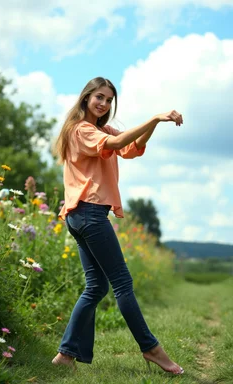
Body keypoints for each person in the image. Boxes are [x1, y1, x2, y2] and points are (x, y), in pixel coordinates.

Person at [52, 77, 184, 375]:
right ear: (86, 98)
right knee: (122, 283)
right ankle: (151, 349)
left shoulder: (101, 129)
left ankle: (66, 355)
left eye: (109, 100)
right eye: (99, 97)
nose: (104, 104)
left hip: (85, 215)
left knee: (97, 287)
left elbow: (133, 146)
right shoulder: (80, 130)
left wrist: (156, 123)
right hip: (88, 214)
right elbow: (114, 144)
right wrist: (153, 117)